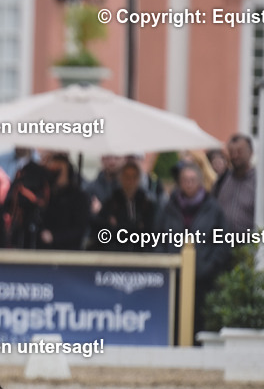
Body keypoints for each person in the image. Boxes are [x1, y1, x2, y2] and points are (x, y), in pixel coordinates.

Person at [156, 163, 230, 334]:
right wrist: (165, 262)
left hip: (203, 280)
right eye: (185, 180)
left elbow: (223, 244)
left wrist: (207, 266)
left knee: (198, 324)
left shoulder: (213, 209)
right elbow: (157, 238)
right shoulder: (168, 208)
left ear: (200, 182)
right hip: (173, 279)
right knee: (172, 324)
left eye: (192, 180)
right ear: (179, 183)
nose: (188, 183)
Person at [91, 160, 156, 252]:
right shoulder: (111, 203)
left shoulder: (146, 205)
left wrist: (118, 227)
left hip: (140, 256)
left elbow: (149, 234)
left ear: (138, 179)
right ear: (120, 178)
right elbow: (102, 232)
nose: (130, 181)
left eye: (134, 177)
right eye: (127, 176)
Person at [37, 153, 90, 250]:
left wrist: (54, 237)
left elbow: (80, 229)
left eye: (59, 170)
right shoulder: (44, 195)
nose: (55, 175)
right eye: (52, 170)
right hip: (44, 251)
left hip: (69, 253)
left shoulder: (79, 197)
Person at [213, 134, 256, 233]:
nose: (235, 156)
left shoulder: (258, 184)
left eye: (239, 152)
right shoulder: (222, 180)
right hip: (222, 243)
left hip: (249, 245)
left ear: (251, 153)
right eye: (231, 152)